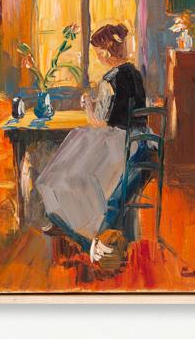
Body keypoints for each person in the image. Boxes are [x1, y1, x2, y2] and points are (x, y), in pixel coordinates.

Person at [33, 24, 149, 274]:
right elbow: (125, 111)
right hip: (138, 140)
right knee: (77, 171)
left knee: (65, 176)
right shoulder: (134, 74)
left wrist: (87, 104)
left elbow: (100, 120)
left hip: (118, 142)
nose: (97, 56)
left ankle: (86, 235)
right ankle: (91, 232)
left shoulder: (110, 79)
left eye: (97, 51)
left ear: (106, 52)